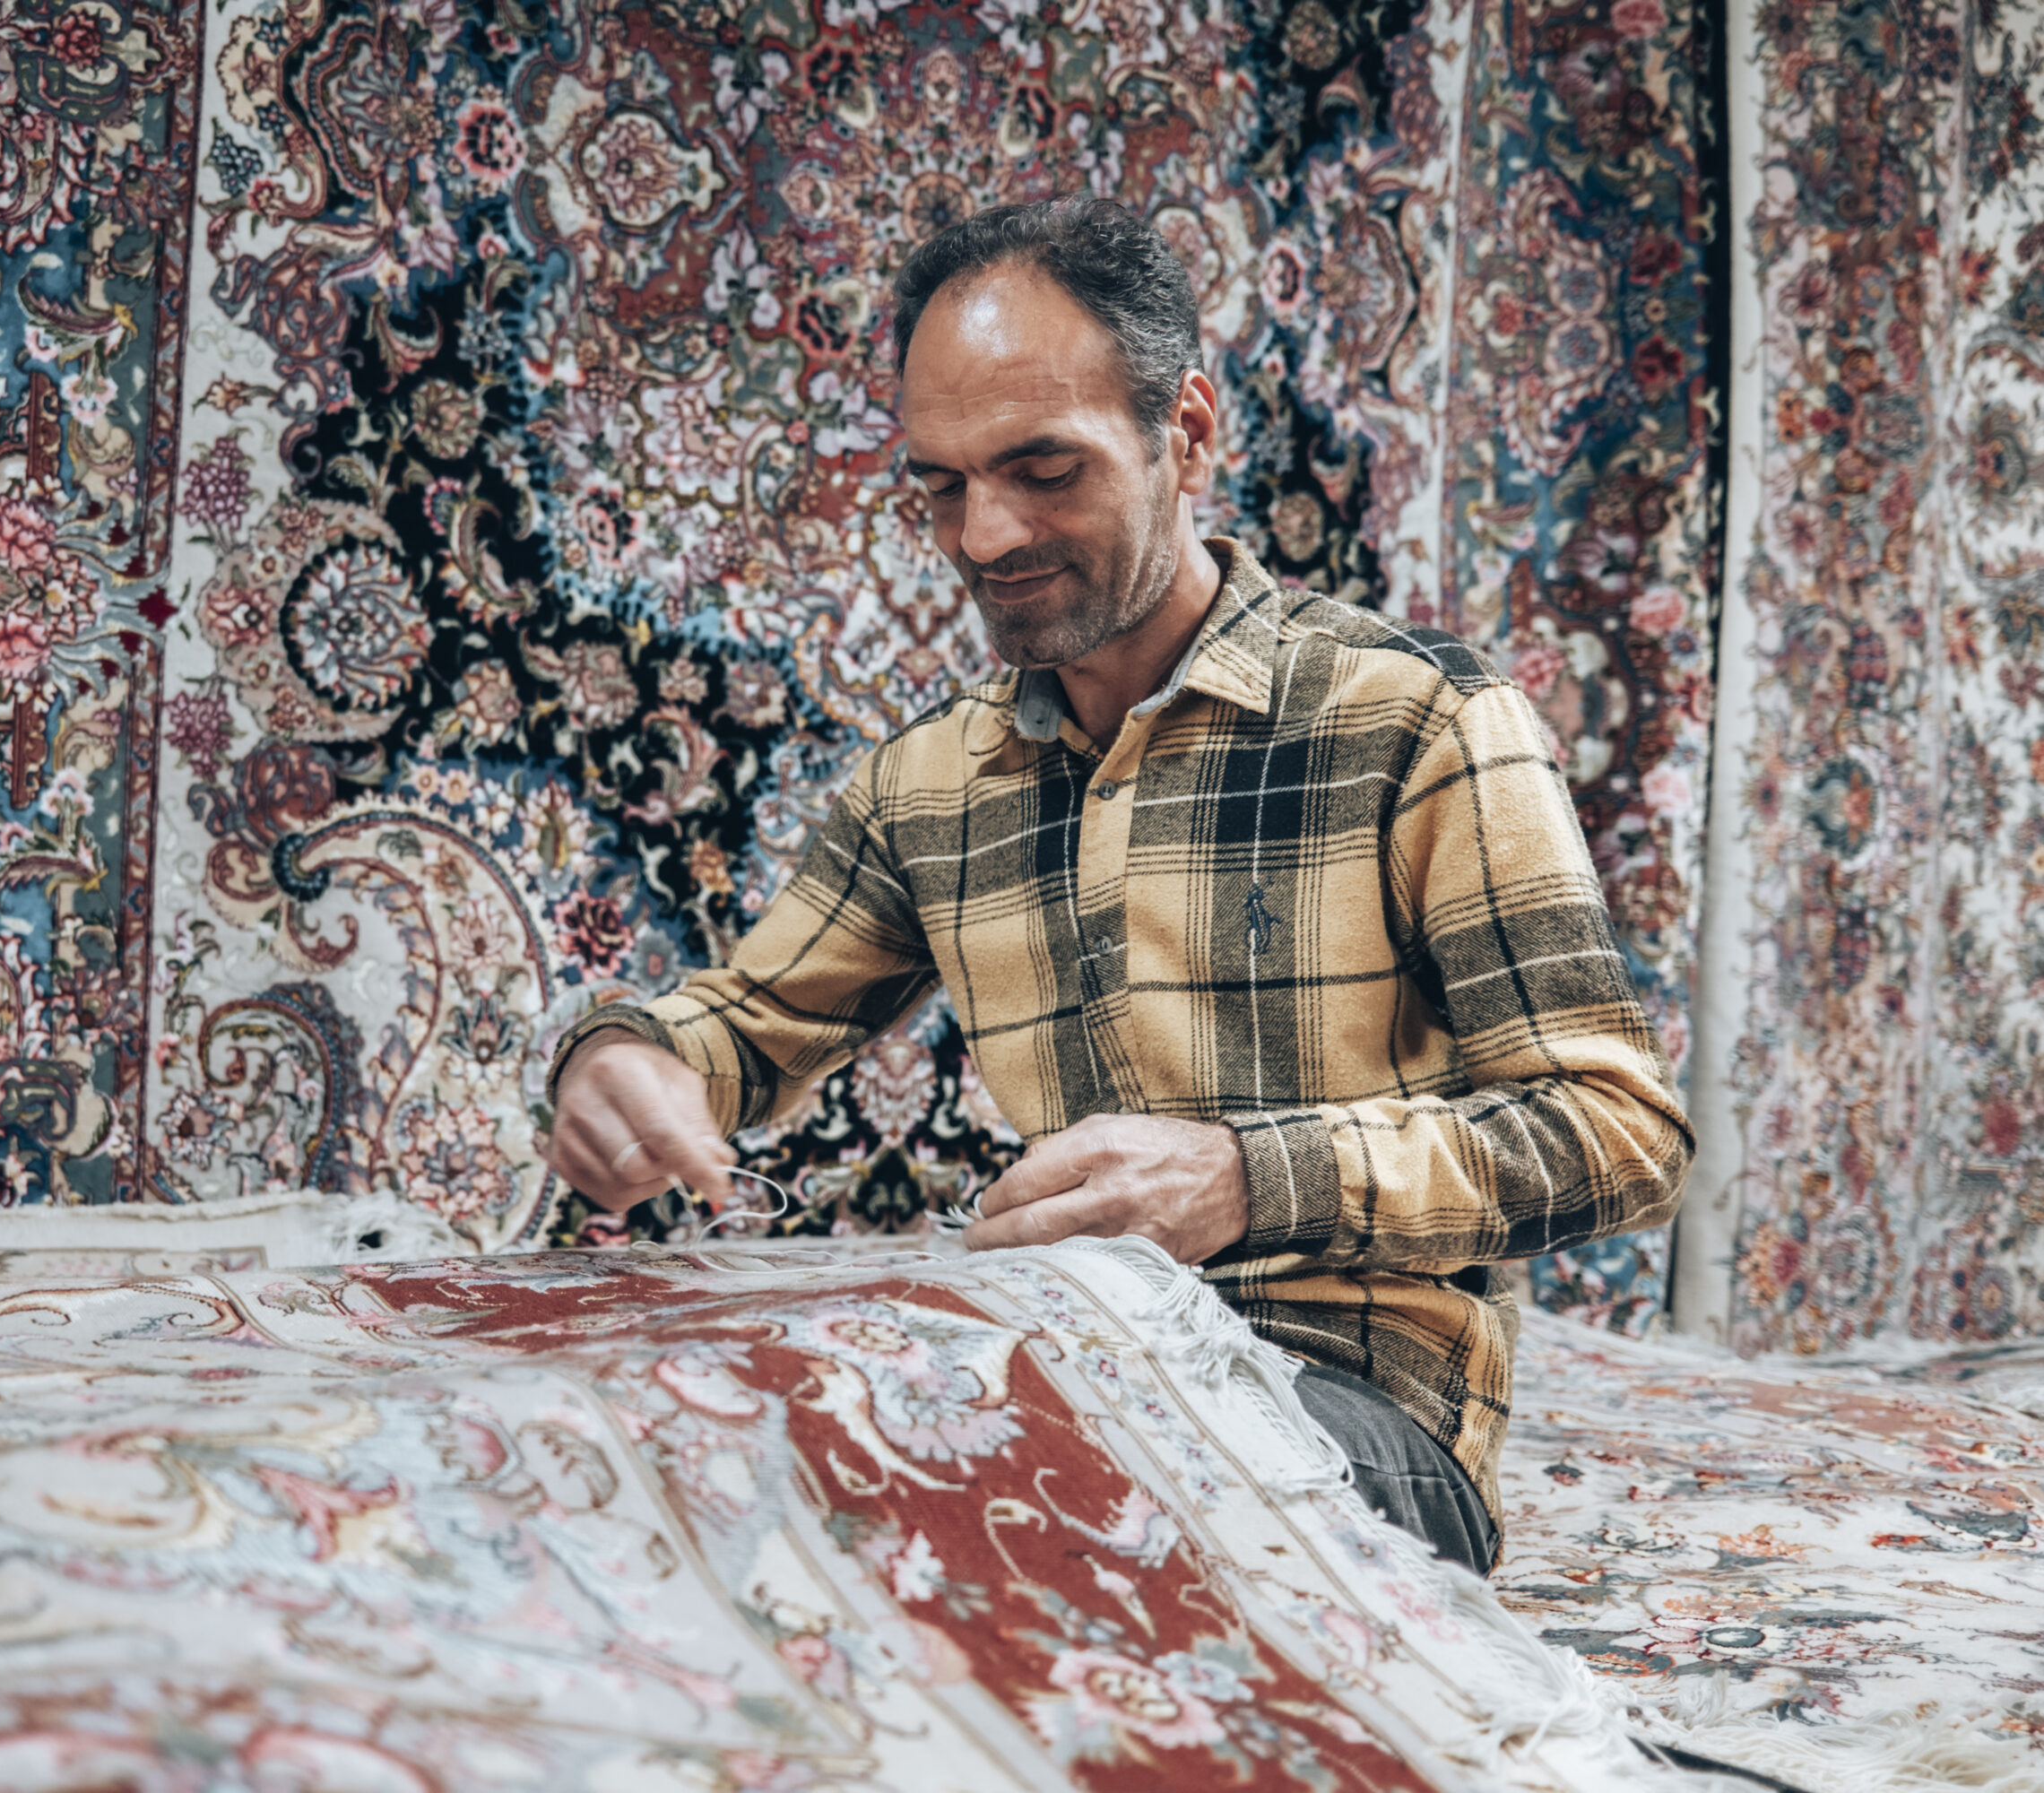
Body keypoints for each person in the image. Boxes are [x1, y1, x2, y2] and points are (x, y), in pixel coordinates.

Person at [542, 198, 1692, 1576]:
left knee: (1006, 1512)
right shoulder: (930, 785)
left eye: (1043, 469)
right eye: (942, 486)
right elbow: (740, 1024)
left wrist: (1244, 1181)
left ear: (1187, 433)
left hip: (1351, 1414)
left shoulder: (1419, 723)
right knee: (659, 1459)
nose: (984, 536)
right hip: (1061, 1363)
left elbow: (1622, 1137)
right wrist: (628, 1059)